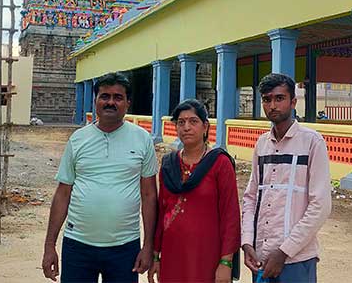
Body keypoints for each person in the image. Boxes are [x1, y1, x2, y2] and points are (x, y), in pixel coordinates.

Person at [42, 72, 158, 283]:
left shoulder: (142, 139)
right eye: (104, 96)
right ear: (95, 101)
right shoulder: (78, 140)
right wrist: (49, 246)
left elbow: (149, 195)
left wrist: (148, 246)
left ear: (127, 103)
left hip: (125, 246)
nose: (110, 102)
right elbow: (63, 193)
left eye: (118, 97)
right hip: (78, 245)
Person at [242, 73, 332, 282]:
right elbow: (251, 197)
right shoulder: (262, 144)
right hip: (261, 258)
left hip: (297, 260)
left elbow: (320, 205)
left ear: (293, 102)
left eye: (279, 98)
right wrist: (247, 243)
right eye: (267, 99)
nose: (272, 105)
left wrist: (284, 251)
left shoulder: (312, 142)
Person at [148, 99, 241, 283]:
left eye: (193, 121)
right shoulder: (169, 164)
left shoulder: (219, 163)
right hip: (173, 254)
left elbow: (230, 214)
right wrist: (156, 256)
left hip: (207, 256)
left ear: (205, 126)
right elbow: (162, 212)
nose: (186, 127)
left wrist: (226, 262)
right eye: (181, 122)